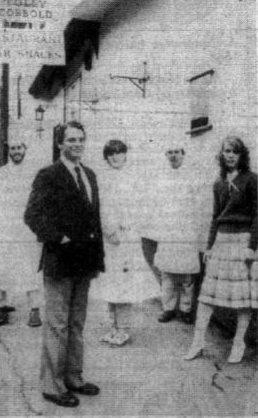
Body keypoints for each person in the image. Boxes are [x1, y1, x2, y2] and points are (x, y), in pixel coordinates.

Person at [24, 121, 104, 408]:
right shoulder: (48, 175)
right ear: (59, 143)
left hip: (85, 262)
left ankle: (74, 377)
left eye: (81, 139)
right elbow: (32, 215)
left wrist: (98, 257)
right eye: (71, 140)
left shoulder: (90, 175)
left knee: (76, 323)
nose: (77, 144)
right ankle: (52, 385)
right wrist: (59, 237)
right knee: (57, 324)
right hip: (60, 261)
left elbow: (94, 217)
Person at [185, 136, 258, 363]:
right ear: (222, 154)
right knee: (206, 296)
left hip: (243, 242)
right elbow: (216, 218)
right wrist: (209, 247)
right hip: (222, 242)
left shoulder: (251, 179)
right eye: (227, 151)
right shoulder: (218, 183)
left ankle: (238, 343)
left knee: (242, 299)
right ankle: (197, 343)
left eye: (235, 152)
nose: (230, 155)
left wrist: (252, 247)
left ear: (241, 155)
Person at [91, 140, 160, 346]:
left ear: (125, 155)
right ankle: (113, 327)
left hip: (126, 239)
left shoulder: (132, 179)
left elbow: (140, 207)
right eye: (111, 153)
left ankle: (123, 329)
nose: (115, 157)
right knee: (110, 282)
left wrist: (123, 228)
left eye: (119, 153)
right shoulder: (102, 179)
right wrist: (108, 230)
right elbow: (100, 208)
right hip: (108, 240)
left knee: (124, 283)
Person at [0, 137, 42, 327]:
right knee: (3, 268)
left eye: (19, 147)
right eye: (13, 148)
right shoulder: (0, 174)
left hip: (28, 229)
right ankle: (1, 309)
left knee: (31, 269)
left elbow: (40, 201)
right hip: (6, 228)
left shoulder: (34, 173)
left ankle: (34, 310)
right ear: (8, 150)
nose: (16, 151)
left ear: (24, 148)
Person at [153, 145, 201, 324]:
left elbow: (197, 205)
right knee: (167, 273)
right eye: (170, 152)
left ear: (183, 154)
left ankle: (186, 309)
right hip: (168, 230)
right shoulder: (162, 177)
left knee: (186, 275)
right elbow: (158, 204)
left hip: (186, 230)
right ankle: (168, 308)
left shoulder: (192, 176)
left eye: (177, 152)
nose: (173, 155)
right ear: (166, 154)